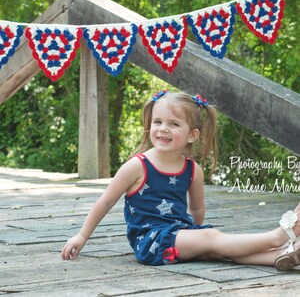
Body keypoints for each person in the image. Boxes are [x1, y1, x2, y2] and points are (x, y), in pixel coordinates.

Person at [61, 90, 300, 270]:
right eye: (158, 122)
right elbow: (105, 202)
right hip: (151, 241)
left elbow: (197, 208)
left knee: (216, 249)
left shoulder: (192, 170)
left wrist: (196, 236)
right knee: (213, 239)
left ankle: (281, 255)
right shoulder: (137, 166)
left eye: (173, 124)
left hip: (180, 233)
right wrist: (82, 236)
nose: (163, 129)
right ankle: (278, 236)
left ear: (192, 135)